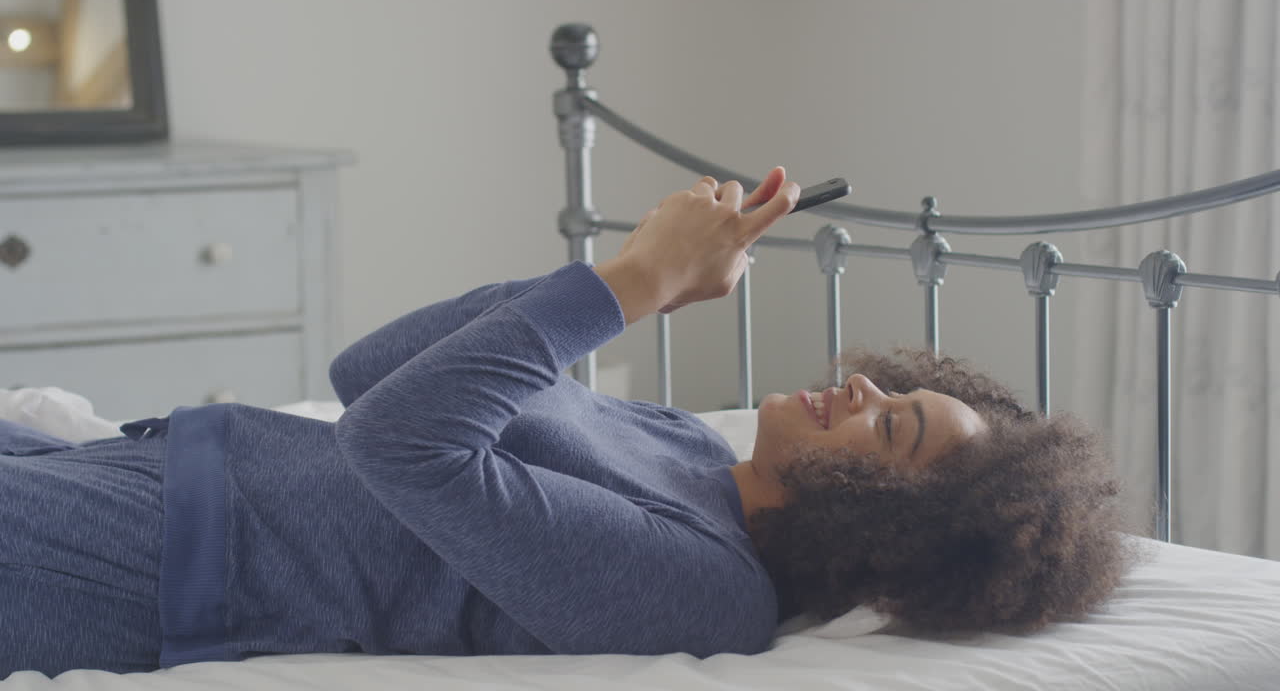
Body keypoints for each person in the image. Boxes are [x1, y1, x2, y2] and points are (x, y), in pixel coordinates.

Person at [0, 168, 1131, 678]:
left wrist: (628, 292)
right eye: (895, 390)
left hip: (147, 564)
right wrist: (628, 275)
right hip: (140, 468)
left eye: (891, 431)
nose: (865, 394)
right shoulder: (687, 447)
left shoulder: (703, 589)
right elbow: (375, 375)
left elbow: (397, 445)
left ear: (881, 521)